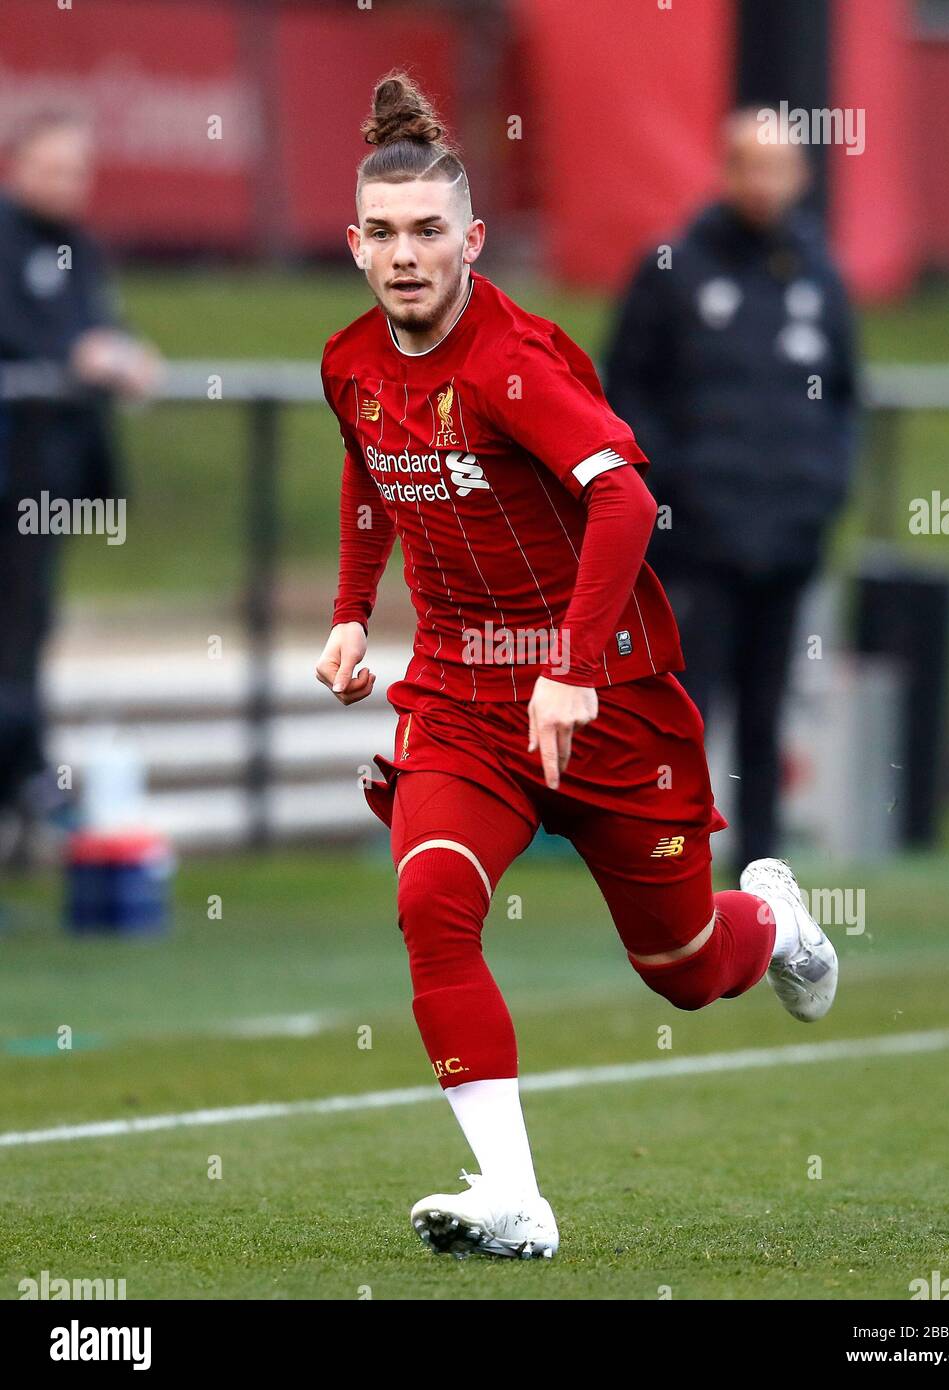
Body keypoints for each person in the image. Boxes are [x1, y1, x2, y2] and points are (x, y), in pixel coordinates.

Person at [316, 75, 839, 1262]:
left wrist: (567, 665)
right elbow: (367, 466)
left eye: (429, 233)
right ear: (355, 246)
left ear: (472, 240)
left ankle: (776, 919)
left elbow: (625, 499)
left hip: (602, 701)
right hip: (456, 697)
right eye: (384, 235)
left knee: (686, 971)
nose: (406, 257)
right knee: (431, 901)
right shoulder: (348, 362)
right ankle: (512, 1195)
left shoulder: (514, 362)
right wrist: (351, 614)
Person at [605, 108, 858, 878]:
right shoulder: (674, 269)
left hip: (786, 537)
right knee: (686, 708)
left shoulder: (817, 276)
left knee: (765, 709)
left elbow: (844, 399)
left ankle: (761, 870)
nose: (763, 183)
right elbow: (625, 391)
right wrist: (675, 491)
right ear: (725, 169)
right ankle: (667, 858)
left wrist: (821, 492)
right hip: (698, 540)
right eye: (748, 164)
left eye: (777, 167)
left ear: (800, 177)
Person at [0, 111, 160, 833]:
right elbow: (39, 336)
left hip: (50, 481)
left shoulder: (82, 248)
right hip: (9, 467)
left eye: (77, 170)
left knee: (29, 625)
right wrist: (76, 355)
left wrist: (125, 354)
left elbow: (100, 328)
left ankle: (26, 773)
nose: (66, 184)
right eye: (52, 168)